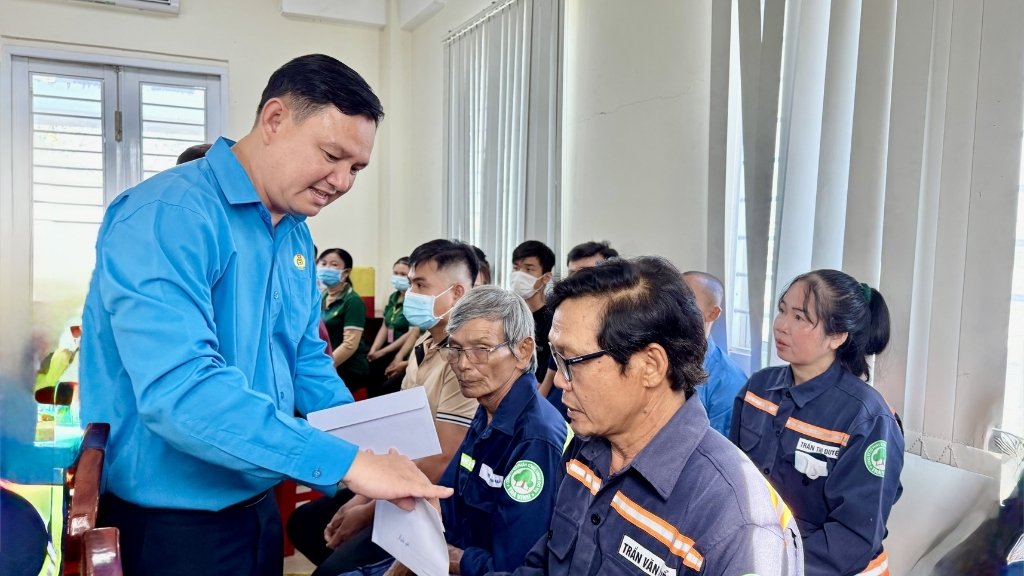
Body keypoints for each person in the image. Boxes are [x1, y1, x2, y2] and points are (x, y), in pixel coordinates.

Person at [79, 54, 452, 576]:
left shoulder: (295, 232)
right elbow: (182, 391)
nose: (343, 182)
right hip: (174, 527)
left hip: (255, 509)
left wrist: (376, 453)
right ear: (275, 120)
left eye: (357, 169)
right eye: (332, 155)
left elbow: (306, 360)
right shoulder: (168, 216)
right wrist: (349, 464)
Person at [501, 257, 803, 575]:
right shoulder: (586, 449)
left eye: (572, 361)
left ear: (650, 366)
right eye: (557, 358)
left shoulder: (736, 523)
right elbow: (546, 563)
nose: (560, 380)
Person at [339, 286, 568, 576]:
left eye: (481, 350)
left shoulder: (536, 438)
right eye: (455, 348)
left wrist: (445, 557)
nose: (462, 364)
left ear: (522, 352)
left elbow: (514, 567)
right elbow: (446, 500)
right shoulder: (486, 411)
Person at [288, 239, 480, 575]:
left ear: (457, 293)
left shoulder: (465, 359)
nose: (411, 295)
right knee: (304, 523)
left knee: (330, 569)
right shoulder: (424, 343)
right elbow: (404, 437)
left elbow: (442, 459)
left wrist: (367, 509)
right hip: (401, 477)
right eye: (410, 285)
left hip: (433, 498)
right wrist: (362, 495)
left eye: (421, 285)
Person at [729, 269, 904, 575]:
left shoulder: (867, 418)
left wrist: (771, 564)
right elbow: (729, 478)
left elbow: (852, 538)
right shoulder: (758, 389)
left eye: (800, 318)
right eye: (782, 310)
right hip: (756, 556)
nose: (781, 325)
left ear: (837, 336)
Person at [537, 240, 619, 418]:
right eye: (571, 273)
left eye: (585, 273)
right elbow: (551, 377)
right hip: (557, 415)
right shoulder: (563, 323)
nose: (576, 280)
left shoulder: (617, 330)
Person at [683, 270, 748, 436]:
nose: (674, 310)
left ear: (713, 313)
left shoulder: (729, 381)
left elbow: (722, 451)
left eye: (687, 302)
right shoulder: (653, 355)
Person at [317, 247, 371, 394]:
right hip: (328, 364)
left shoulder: (353, 301)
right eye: (323, 263)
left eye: (334, 265)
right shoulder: (322, 296)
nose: (327, 268)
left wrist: (325, 367)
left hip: (348, 368)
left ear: (345, 273)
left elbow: (350, 345)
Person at [366, 257, 418, 394]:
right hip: (387, 348)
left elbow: (412, 332)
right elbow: (386, 324)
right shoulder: (393, 297)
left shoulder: (414, 299)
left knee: (386, 389)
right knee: (371, 380)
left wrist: (383, 352)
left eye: (403, 274)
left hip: (402, 351)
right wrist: (375, 348)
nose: (398, 277)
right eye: (395, 273)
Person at [509, 240, 556, 380]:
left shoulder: (553, 319)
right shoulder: (509, 315)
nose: (519, 275)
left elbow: (549, 374)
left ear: (546, 278)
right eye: (516, 268)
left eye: (529, 269)